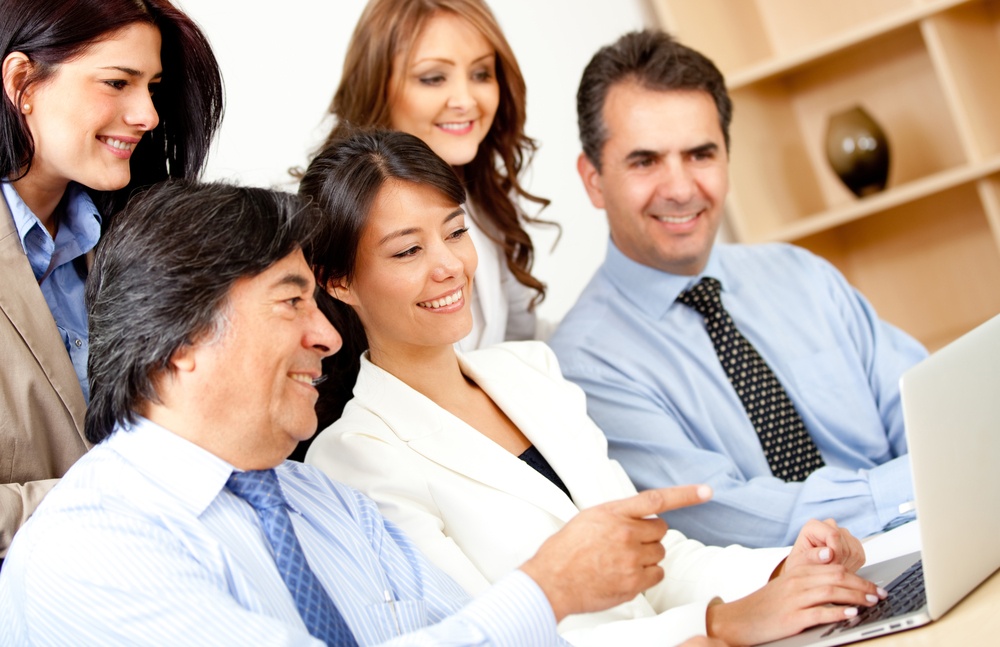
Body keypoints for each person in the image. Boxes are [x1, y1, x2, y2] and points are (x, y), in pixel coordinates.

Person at [0, 179, 734, 646]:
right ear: (182, 341)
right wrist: (547, 587)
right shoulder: (91, 546)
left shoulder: (318, 499)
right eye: (292, 301)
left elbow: (456, 629)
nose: (325, 334)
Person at [300, 128, 886, 647]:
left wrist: (787, 570)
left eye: (455, 232)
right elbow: (495, 632)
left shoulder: (530, 372)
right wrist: (716, 623)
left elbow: (658, 563)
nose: (449, 265)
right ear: (340, 281)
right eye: (408, 250)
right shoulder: (354, 457)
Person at [546, 29, 928, 549]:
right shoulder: (582, 367)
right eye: (645, 161)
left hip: (927, 535)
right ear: (593, 179)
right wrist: (914, 486)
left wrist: (943, 483)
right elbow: (726, 517)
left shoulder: (800, 274)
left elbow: (926, 407)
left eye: (701, 154)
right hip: (787, 604)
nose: (681, 189)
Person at [0, 0, 223, 558]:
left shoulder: (131, 246)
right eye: (118, 82)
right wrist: (114, 503)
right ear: (22, 82)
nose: (147, 114)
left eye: (151, 87)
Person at [314, 0, 549, 353]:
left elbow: (523, 342)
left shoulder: (488, 198)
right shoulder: (326, 224)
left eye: (481, 74)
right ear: (377, 85)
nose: (465, 100)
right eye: (433, 78)